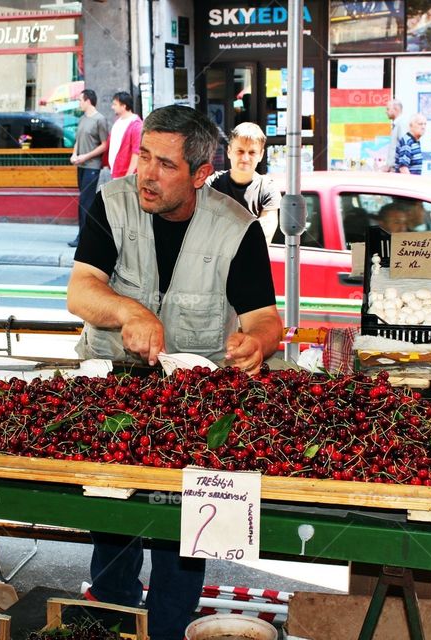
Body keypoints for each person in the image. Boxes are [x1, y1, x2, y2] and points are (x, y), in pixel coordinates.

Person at [67, 105, 282, 640]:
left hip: (194, 410)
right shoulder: (111, 203)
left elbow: (265, 320)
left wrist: (255, 344)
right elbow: (81, 289)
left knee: (184, 535)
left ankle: (170, 628)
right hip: (113, 395)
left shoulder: (237, 229)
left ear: (200, 173)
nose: (146, 173)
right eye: (144, 157)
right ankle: (111, 620)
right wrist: (128, 311)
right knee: (113, 528)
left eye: (165, 164)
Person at [204, 122, 281, 243]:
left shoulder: (267, 189)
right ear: (229, 151)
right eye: (240, 151)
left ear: (261, 155)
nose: (245, 158)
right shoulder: (211, 184)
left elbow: (263, 239)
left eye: (252, 152)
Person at [68, 89, 110, 247]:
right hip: (81, 165)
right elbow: (78, 140)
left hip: (92, 165)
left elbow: (104, 145)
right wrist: (74, 154)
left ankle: (85, 238)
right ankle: (82, 235)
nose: (78, 103)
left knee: (86, 201)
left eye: (80, 100)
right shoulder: (82, 119)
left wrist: (85, 157)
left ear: (88, 101)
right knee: (83, 201)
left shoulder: (100, 119)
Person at [107, 91, 143, 179]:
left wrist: (128, 175)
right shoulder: (118, 122)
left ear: (124, 106)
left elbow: (136, 152)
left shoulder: (136, 124)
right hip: (116, 172)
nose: (112, 107)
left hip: (125, 175)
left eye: (115, 104)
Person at [382, 99, 409, 172]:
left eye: (388, 109)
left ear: (396, 109)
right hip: (393, 169)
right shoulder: (396, 124)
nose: (386, 112)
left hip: (398, 169)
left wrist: (396, 166)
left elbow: (405, 147)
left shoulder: (402, 124)